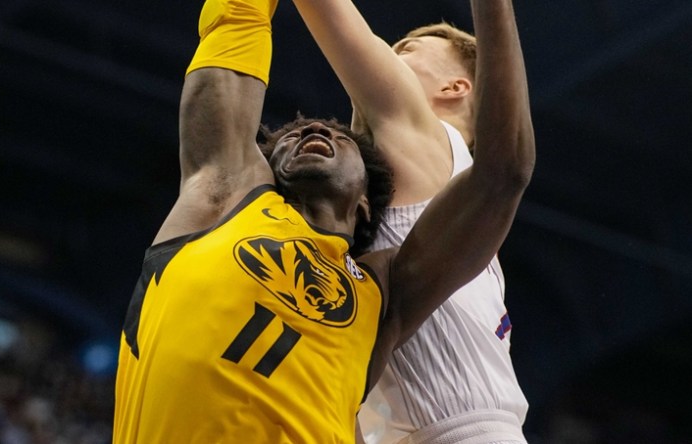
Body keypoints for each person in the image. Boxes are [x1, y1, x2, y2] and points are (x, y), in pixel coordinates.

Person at [112, 0, 534, 441]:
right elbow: (234, 25)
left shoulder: (389, 279)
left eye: (404, 50)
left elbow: (503, 172)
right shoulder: (229, 201)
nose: (315, 131)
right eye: (292, 136)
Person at [289, 0, 531, 442]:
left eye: (404, 50)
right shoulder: (448, 203)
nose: (387, 57)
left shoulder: (427, 137)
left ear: (455, 87)